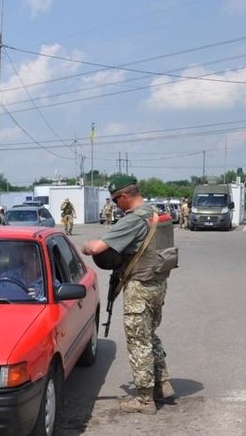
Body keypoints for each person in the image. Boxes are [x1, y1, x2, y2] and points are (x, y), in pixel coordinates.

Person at [81, 175, 176, 414]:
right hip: (158, 283)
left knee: (138, 340)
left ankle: (145, 399)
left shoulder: (134, 220)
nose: (114, 205)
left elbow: (96, 248)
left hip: (140, 288)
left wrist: (85, 246)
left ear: (124, 196)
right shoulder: (157, 212)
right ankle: (162, 383)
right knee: (149, 334)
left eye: (115, 200)